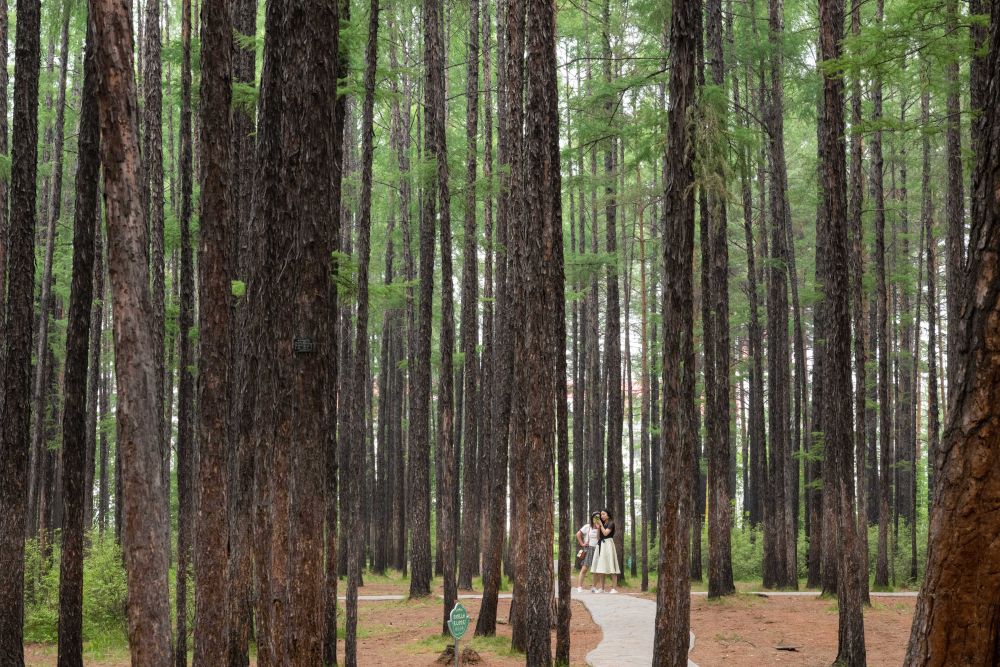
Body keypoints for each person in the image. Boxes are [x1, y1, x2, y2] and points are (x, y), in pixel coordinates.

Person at [591, 508, 620, 593]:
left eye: (604, 514)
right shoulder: (602, 524)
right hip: (601, 544)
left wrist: (601, 525)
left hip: (608, 544)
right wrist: (598, 528)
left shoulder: (611, 523)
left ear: (608, 515)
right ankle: (602, 588)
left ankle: (614, 588)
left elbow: (606, 533)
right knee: (601, 566)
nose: (602, 516)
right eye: (601, 514)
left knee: (611, 565)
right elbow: (598, 537)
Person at [575, 512, 602, 593]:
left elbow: (599, 538)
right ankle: (579, 587)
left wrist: (599, 528)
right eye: (595, 517)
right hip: (589, 549)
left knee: (596, 570)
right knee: (584, 569)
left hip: (597, 549)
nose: (596, 519)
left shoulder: (601, 527)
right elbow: (578, 534)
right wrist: (582, 543)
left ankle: (593, 587)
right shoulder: (587, 526)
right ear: (592, 518)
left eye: (598, 517)